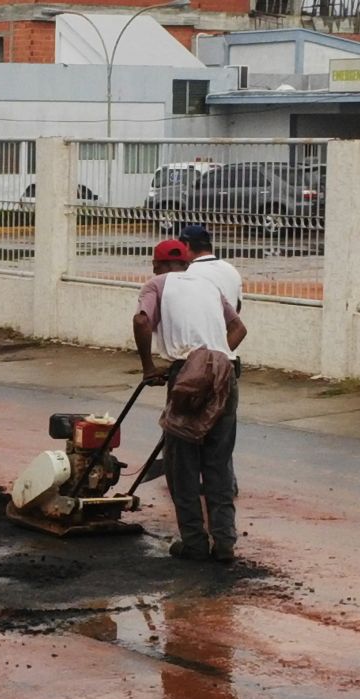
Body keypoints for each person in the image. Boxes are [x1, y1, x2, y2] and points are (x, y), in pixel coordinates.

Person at [133, 239, 246, 562]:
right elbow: (239, 326)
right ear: (187, 263)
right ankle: (224, 541)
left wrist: (149, 367)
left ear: (156, 265)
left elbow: (142, 321)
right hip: (224, 371)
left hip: (188, 373)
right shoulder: (208, 285)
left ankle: (194, 542)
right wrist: (214, 353)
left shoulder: (155, 284)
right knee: (218, 460)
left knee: (181, 462)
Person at [178, 223, 243, 496]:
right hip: (228, 360)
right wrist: (221, 353)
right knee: (222, 429)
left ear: (186, 247)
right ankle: (225, 483)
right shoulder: (231, 270)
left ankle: (189, 484)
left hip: (194, 363)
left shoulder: (188, 274)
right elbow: (236, 315)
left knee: (188, 427)